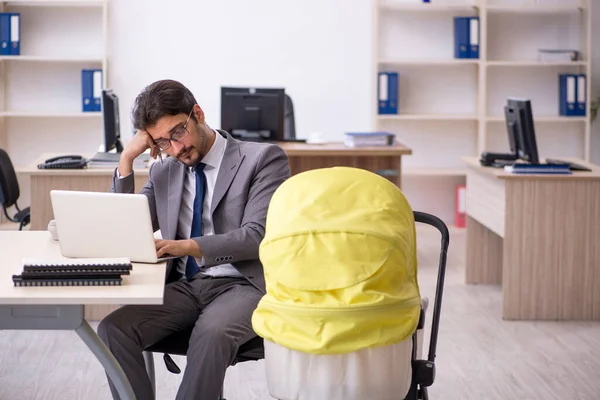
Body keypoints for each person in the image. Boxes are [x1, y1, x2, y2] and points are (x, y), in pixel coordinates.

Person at [97, 79, 291, 400]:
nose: (175, 149)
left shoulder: (262, 159)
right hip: (187, 286)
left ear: (197, 114)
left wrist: (185, 247)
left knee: (211, 333)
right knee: (113, 330)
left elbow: (257, 236)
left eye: (177, 132)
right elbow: (123, 224)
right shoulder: (165, 170)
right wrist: (126, 160)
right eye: (161, 142)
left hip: (244, 283)